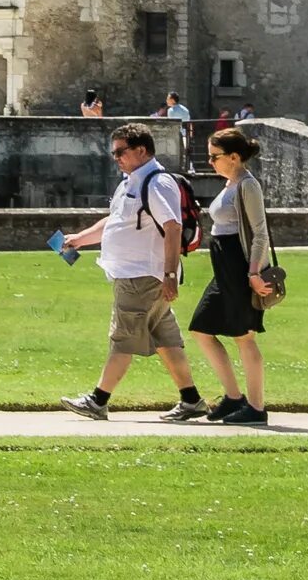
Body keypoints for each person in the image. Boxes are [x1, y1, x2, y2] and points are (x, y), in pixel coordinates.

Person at [57, 124, 209, 421]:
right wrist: (80, 239)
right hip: (138, 273)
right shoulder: (132, 181)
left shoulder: (155, 182)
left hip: (142, 276)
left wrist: (168, 276)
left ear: (141, 150)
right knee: (165, 338)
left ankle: (98, 400)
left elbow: (173, 226)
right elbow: (115, 221)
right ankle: (191, 400)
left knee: (123, 337)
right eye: (113, 152)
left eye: (120, 152)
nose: (116, 158)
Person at [187, 126, 277, 426]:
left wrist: (253, 272)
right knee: (202, 327)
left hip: (239, 266)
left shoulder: (247, 185)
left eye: (215, 157)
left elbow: (260, 232)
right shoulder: (230, 183)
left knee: (244, 336)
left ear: (235, 157)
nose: (210, 162)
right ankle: (234, 397)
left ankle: (256, 406)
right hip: (224, 266)